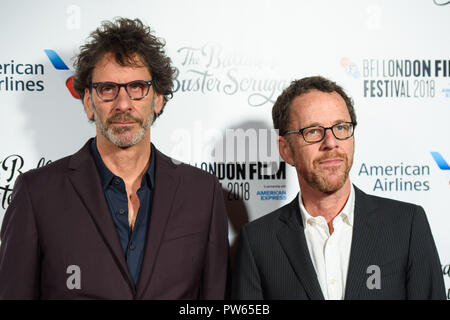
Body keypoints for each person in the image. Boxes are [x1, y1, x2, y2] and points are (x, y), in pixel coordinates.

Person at [0, 18, 229, 299]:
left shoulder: (202, 192)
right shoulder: (37, 193)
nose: (123, 104)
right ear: (88, 103)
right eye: (108, 89)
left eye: (136, 87)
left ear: (157, 99)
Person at [231, 76, 445, 300]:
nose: (331, 142)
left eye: (341, 127)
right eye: (312, 131)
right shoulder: (258, 242)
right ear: (285, 150)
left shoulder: (406, 225)